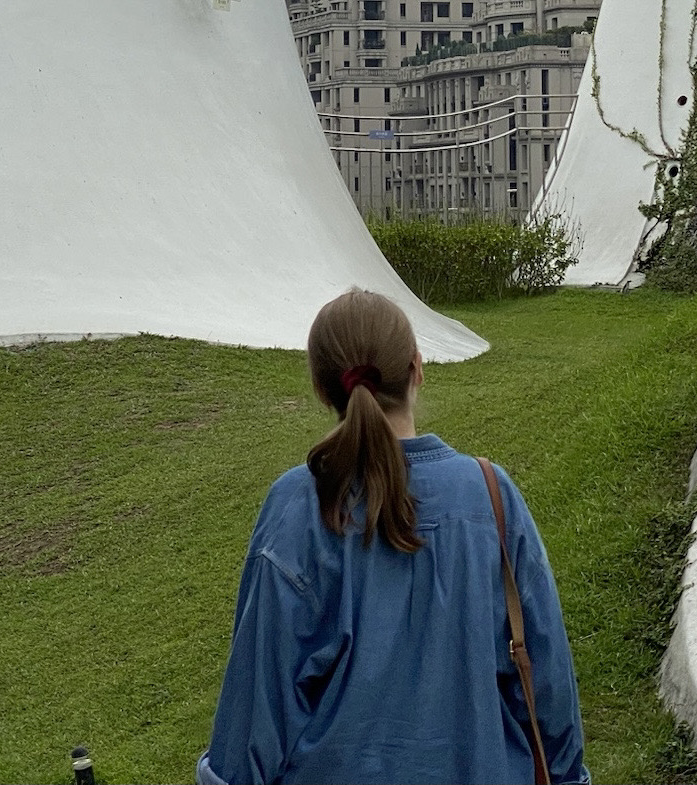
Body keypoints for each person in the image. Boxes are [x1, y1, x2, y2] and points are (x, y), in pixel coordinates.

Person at [197, 288, 588, 785]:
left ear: (323, 391)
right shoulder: (490, 497)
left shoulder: (298, 506)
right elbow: (547, 682)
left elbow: (257, 707)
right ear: (417, 368)